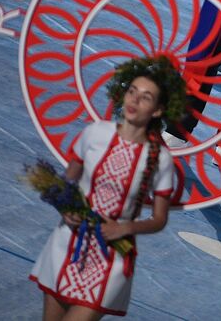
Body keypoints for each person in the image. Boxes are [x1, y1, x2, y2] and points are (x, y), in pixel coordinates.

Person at [31, 56, 186, 320]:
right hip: (66, 244)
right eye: (131, 91)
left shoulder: (161, 158)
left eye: (145, 98)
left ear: (158, 110)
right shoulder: (95, 132)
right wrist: (65, 209)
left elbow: (159, 219)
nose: (134, 101)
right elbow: (67, 181)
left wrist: (125, 228)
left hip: (111, 258)